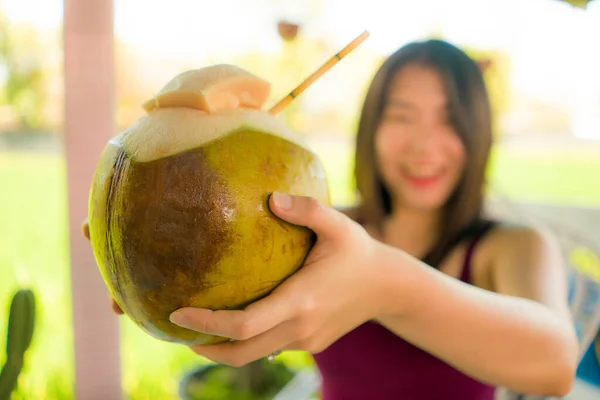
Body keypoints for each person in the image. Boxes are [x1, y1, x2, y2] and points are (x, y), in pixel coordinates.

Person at [83, 39, 580, 399]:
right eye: (402, 116)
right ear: (371, 127)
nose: (424, 145)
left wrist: (387, 283)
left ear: (479, 133)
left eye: (449, 119)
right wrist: (148, 247)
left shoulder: (511, 245)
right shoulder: (312, 233)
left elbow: (555, 364)